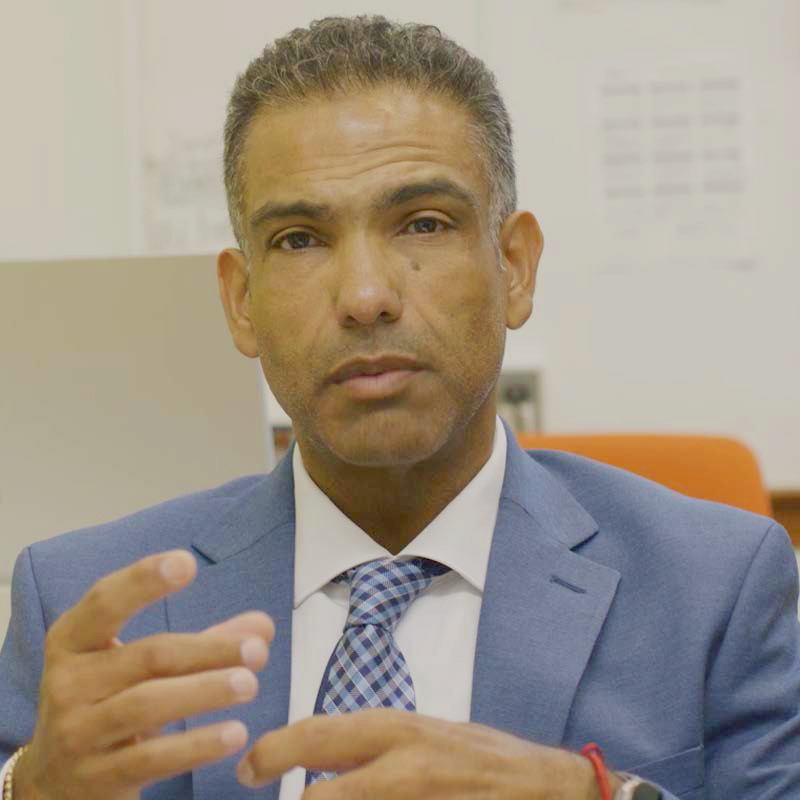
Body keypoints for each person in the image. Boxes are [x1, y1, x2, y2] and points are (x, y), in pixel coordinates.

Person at [1, 15, 798, 800]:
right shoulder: (83, 604)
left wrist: (598, 798)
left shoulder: (718, 589)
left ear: (515, 267)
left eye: (424, 223)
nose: (366, 296)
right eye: (300, 239)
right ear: (241, 303)